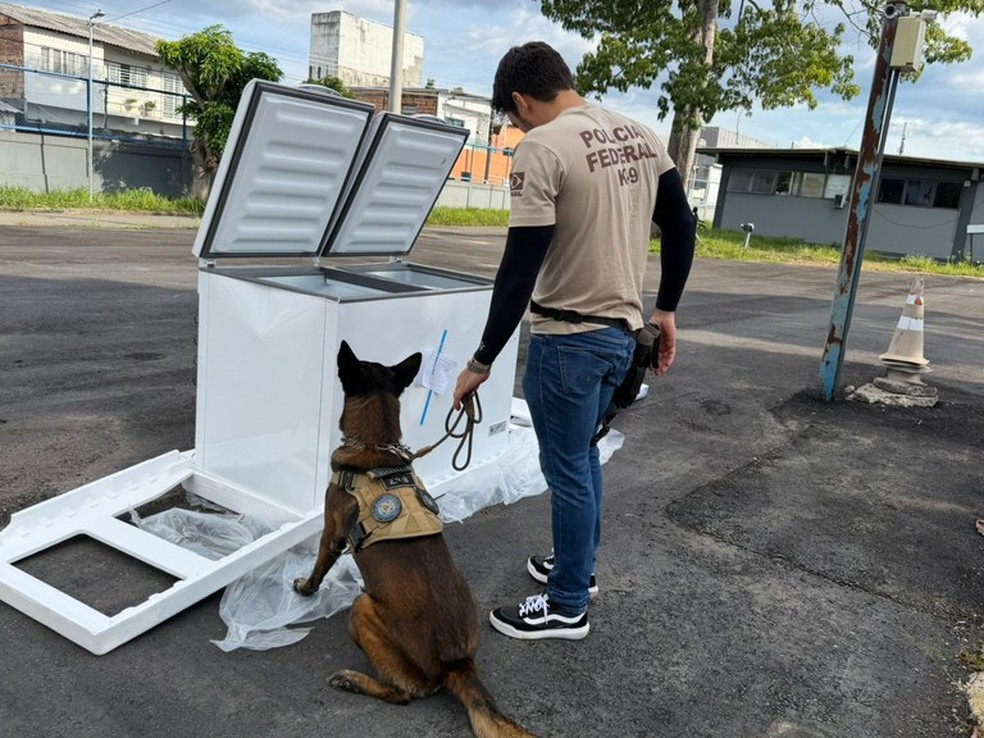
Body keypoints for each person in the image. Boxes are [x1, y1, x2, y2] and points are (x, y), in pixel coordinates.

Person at [452, 41, 696, 641]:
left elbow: (519, 267)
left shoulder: (542, 147)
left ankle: (566, 606)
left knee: (565, 469)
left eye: (512, 120)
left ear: (520, 101)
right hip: (621, 338)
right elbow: (683, 224)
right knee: (583, 458)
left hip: (567, 340)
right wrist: (666, 311)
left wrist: (481, 360)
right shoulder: (639, 134)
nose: (516, 130)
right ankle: (577, 572)